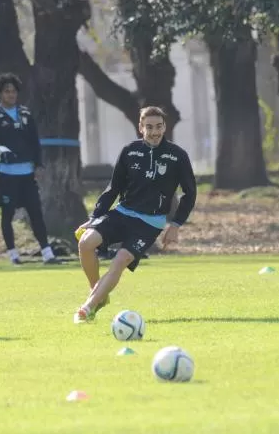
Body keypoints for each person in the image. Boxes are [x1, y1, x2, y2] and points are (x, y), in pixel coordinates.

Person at [73, 106, 197, 323]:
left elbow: (190, 193)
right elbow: (113, 189)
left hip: (150, 223)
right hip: (122, 214)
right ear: (141, 128)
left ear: (165, 127)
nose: (154, 132)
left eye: (158, 126)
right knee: (85, 242)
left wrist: (175, 224)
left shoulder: (177, 156)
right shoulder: (129, 151)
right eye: (149, 127)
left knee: (121, 259)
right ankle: (98, 293)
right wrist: (94, 218)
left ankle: (88, 308)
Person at [0, 73, 59, 265]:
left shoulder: (26, 114)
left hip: (26, 174)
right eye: (7, 91)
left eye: (14, 91)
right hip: (6, 174)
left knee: (36, 213)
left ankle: (47, 253)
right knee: (7, 215)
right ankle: (13, 254)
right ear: (0, 94)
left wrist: (38, 164)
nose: (11, 95)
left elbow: (35, 142)